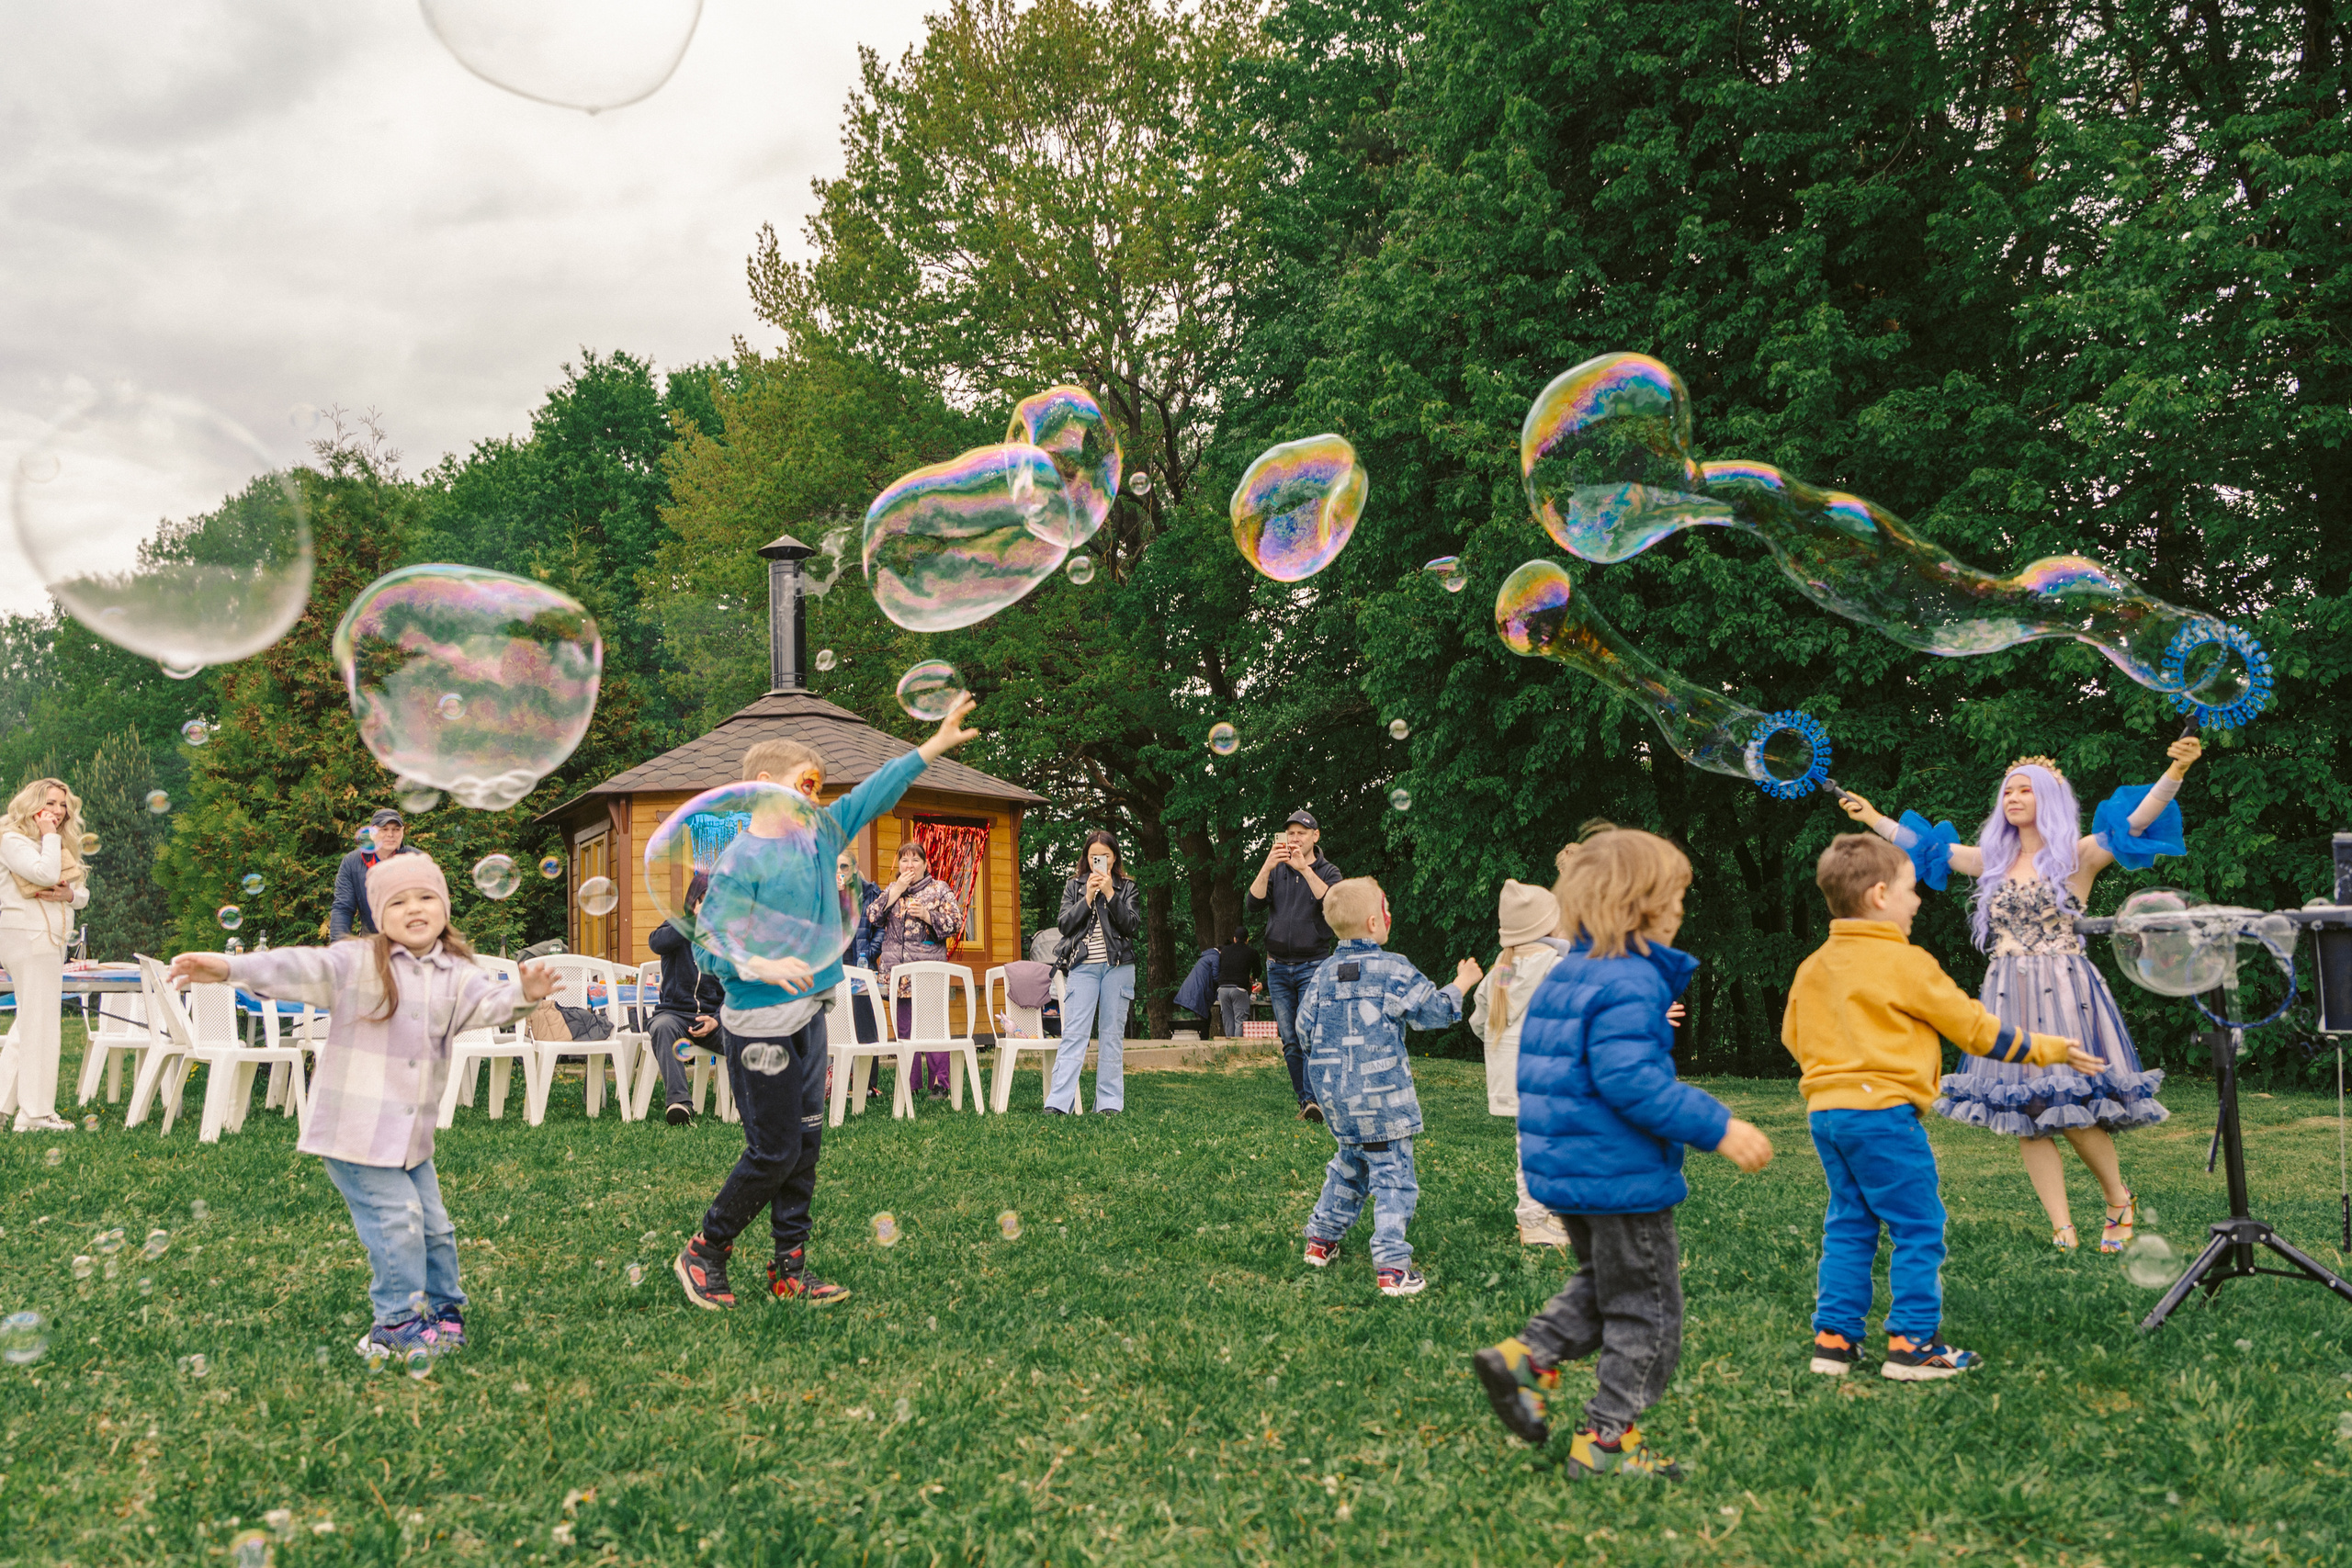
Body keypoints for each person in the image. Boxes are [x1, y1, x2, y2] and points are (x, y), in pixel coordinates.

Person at [1473, 826, 1772, 1480]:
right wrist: (1718, 1125)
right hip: (1620, 1176)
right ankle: (1607, 1440)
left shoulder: (1565, 974)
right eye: (1677, 898)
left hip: (1571, 1174)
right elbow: (1632, 1081)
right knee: (1649, 1311)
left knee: (1606, 1284)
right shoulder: (1631, 982)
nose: (1683, 910)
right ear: (1641, 906)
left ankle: (1528, 1357)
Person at [170, 856, 551, 1359]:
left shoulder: (457, 971)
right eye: (398, 901)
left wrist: (523, 994)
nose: (414, 908)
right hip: (354, 1131)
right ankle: (393, 1324)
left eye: (426, 897)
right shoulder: (355, 963)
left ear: (445, 905)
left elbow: (487, 1004)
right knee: (398, 1220)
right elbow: (293, 966)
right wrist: (228, 967)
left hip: (410, 1137)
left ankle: (442, 1310)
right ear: (377, 915)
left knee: (435, 1225)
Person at [673, 695, 981, 1312]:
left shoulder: (820, 835)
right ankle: (706, 1246)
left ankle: (789, 1267)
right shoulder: (739, 863)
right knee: (773, 1149)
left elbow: (874, 792)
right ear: (764, 787)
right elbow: (708, 949)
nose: (816, 796)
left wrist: (932, 746)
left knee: (806, 1146)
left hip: (811, 1014)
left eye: (818, 786)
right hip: (758, 1023)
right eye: (805, 784)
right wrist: (756, 963)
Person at [1838, 737, 2198, 1250]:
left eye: (2025, 790)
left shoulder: (2078, 855)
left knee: (2073, 1108)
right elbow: (1924, 848)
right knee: (2028, 1115)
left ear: (2047, 799)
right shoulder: (1992, 860)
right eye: (2008, 791)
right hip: (2007, 991)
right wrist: (1872, 816)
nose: (2013, 798)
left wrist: (2176, 771)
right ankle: (2062, 1228)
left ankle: (2118, 1198)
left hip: (2065, 990)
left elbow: (2139, 820)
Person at [1785, 835, 2102, 1380]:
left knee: (1849, 1222)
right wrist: (2048, 1048)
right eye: (1912, 891)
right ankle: (1913, 1347)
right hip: (1882, 1115)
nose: (1918, 901)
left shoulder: (1814, 965)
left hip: (1826, 1114)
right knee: (1918, 1225)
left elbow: (1793, 1035)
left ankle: (1833, 1342)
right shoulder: (1904, 962)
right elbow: (1974, 1030)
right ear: (1881, 895)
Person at [1295, 877, 1481, 1296]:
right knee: (1394, 1179)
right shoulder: (1392, 968)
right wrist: (1463, 982)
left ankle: (1321, 1241)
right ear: (1376, 921)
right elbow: (1432, 1012)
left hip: (1338, 1101)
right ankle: (1392, 1267)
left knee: (1348, 1167)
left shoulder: (1323, 974)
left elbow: (1302, 1030)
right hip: (1383, 1103)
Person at [1466, 879, 1569, 1247]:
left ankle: (1550, 1210)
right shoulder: (1558, 967)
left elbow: (1481, 1023)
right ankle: (1534, 1219)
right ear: (1547, 926)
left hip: (1516, 1079)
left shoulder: (1502, 973)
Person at [0, 778, 89, 1134]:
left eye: (63, 805)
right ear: (33, 804)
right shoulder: (12, 839)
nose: (57, 811)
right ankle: (34, 1114)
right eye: (50, 803)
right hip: (27, 937)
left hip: (49, 940)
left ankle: (5, 1105)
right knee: (42, 1025)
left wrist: (69, 896)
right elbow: (45, 873)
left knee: (30, 1022)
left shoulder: (52, 844)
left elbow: (81, 893)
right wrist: (50, 836)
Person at [1246, 809, 1342, 1121]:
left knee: (1311, 1035)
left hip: (1314, 965)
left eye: (1302, 832)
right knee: (1290, 1041)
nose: (1295, 837)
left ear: (1315, 836)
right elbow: (1252, 904)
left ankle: (1314, 1100)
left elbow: (1334, 907)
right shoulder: (1276, 870)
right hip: (1277, 967)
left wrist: (1305, 869)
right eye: (1291, 832)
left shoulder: (1329, 871)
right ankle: (1307, 1103)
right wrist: (1268, 864)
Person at [1048, 830, 1142, 1114]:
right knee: (1074, 1035)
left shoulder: (1127, 888)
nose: (1098, 861)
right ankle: (1058, 1103)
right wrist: (1088, 896)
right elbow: (1064, 926)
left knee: (1111, 1036)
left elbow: (1132, 927)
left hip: (1119, 968)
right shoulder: (1074, 886)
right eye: (1092, 856)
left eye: (1104, 856)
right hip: (1083, 968)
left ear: (1114, 858)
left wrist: (1111, 894)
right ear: (1086, 858)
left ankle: (1109, 1104)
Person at [865, 840, 967, 1098]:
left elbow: (956, 922)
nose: (909, 865)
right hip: (897, 975)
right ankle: (909, 1085)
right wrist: (895, 890)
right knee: (905, 1030)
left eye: (915, 860)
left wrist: (927, 915)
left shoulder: (939, 889)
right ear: (898, 864)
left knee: (933, 1028)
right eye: (904, 860)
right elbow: (872, 916)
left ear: (925, 865)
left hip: (928, 973)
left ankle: (940, 1084)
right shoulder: (893, 889)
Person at [645, 873, 728, 1126]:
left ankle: (753, 1104)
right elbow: (656, 942)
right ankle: (679, 1104)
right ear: (693, 903)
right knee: (662, 1027)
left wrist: (716, 1020)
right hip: (675, 1014)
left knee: (745, 1032)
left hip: (712, 1020)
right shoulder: (675, 928)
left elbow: (735, 990)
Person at [330, 808, 420, 940]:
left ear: (403, 832)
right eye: (384, 829)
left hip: (410, 940)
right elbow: (343, 908)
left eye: (396, 829)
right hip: (372, 942)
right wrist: (339, 948)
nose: (391, 834)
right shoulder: (352, 862)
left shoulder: (416, 859)